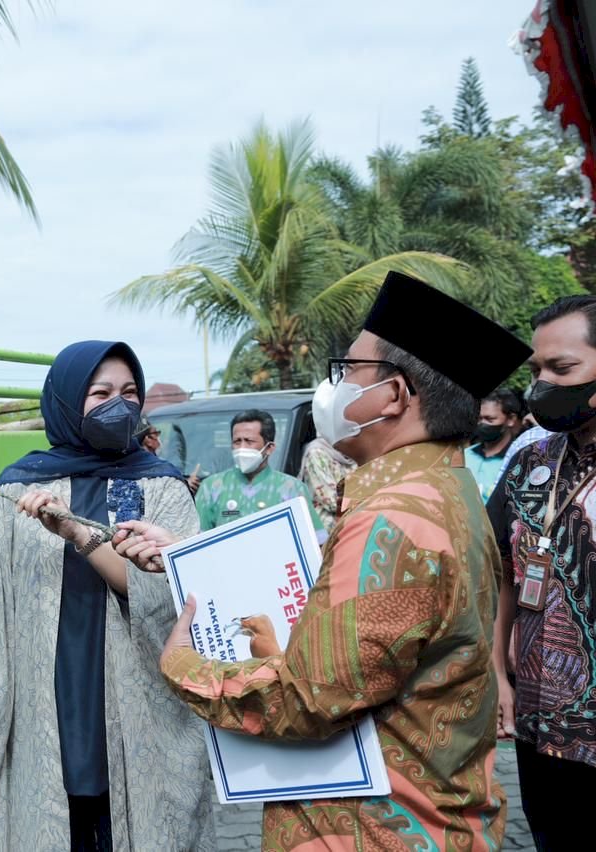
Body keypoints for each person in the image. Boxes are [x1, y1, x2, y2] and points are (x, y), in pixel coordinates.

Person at [114, 270, 530, 850]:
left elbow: (307, 698)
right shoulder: (449, 490)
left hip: (369, 829)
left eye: (349, 370)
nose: (332, 388)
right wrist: (194, 557)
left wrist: (183, 665)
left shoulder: (390, 517)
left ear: (395, 394)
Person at [0, 340, 215, 851]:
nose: (120, 405)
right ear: (66, 401)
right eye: (101, 392)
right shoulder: (24, 482)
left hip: (136, 702)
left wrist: (76, 533)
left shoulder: (162, 486)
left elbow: (167, 597)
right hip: (50, 701)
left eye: (130, 392)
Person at [488, 295, 596, 851]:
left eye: (562, 369)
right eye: (537, 370)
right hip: (539, 728)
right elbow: (505, 570)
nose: (543, 385)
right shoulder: (531, 462)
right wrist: (498, 673)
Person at [194, 409, 326, 542]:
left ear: (269, 448)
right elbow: (197, 540)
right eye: (237, 441)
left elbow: (315, 540)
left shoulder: (291, 488)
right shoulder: (211, 488)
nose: (242, 447)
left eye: (249, 441)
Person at [465, 387, 525, 502]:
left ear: (511, 419)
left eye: (490, 419)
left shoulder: (518, 461)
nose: (482, 424)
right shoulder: (465, 455)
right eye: (479, 419)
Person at [296, 434, 356, 532]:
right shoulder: (316, 453)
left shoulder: (351, 452)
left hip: (353, 519)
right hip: (329, 530)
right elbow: (331, 501)